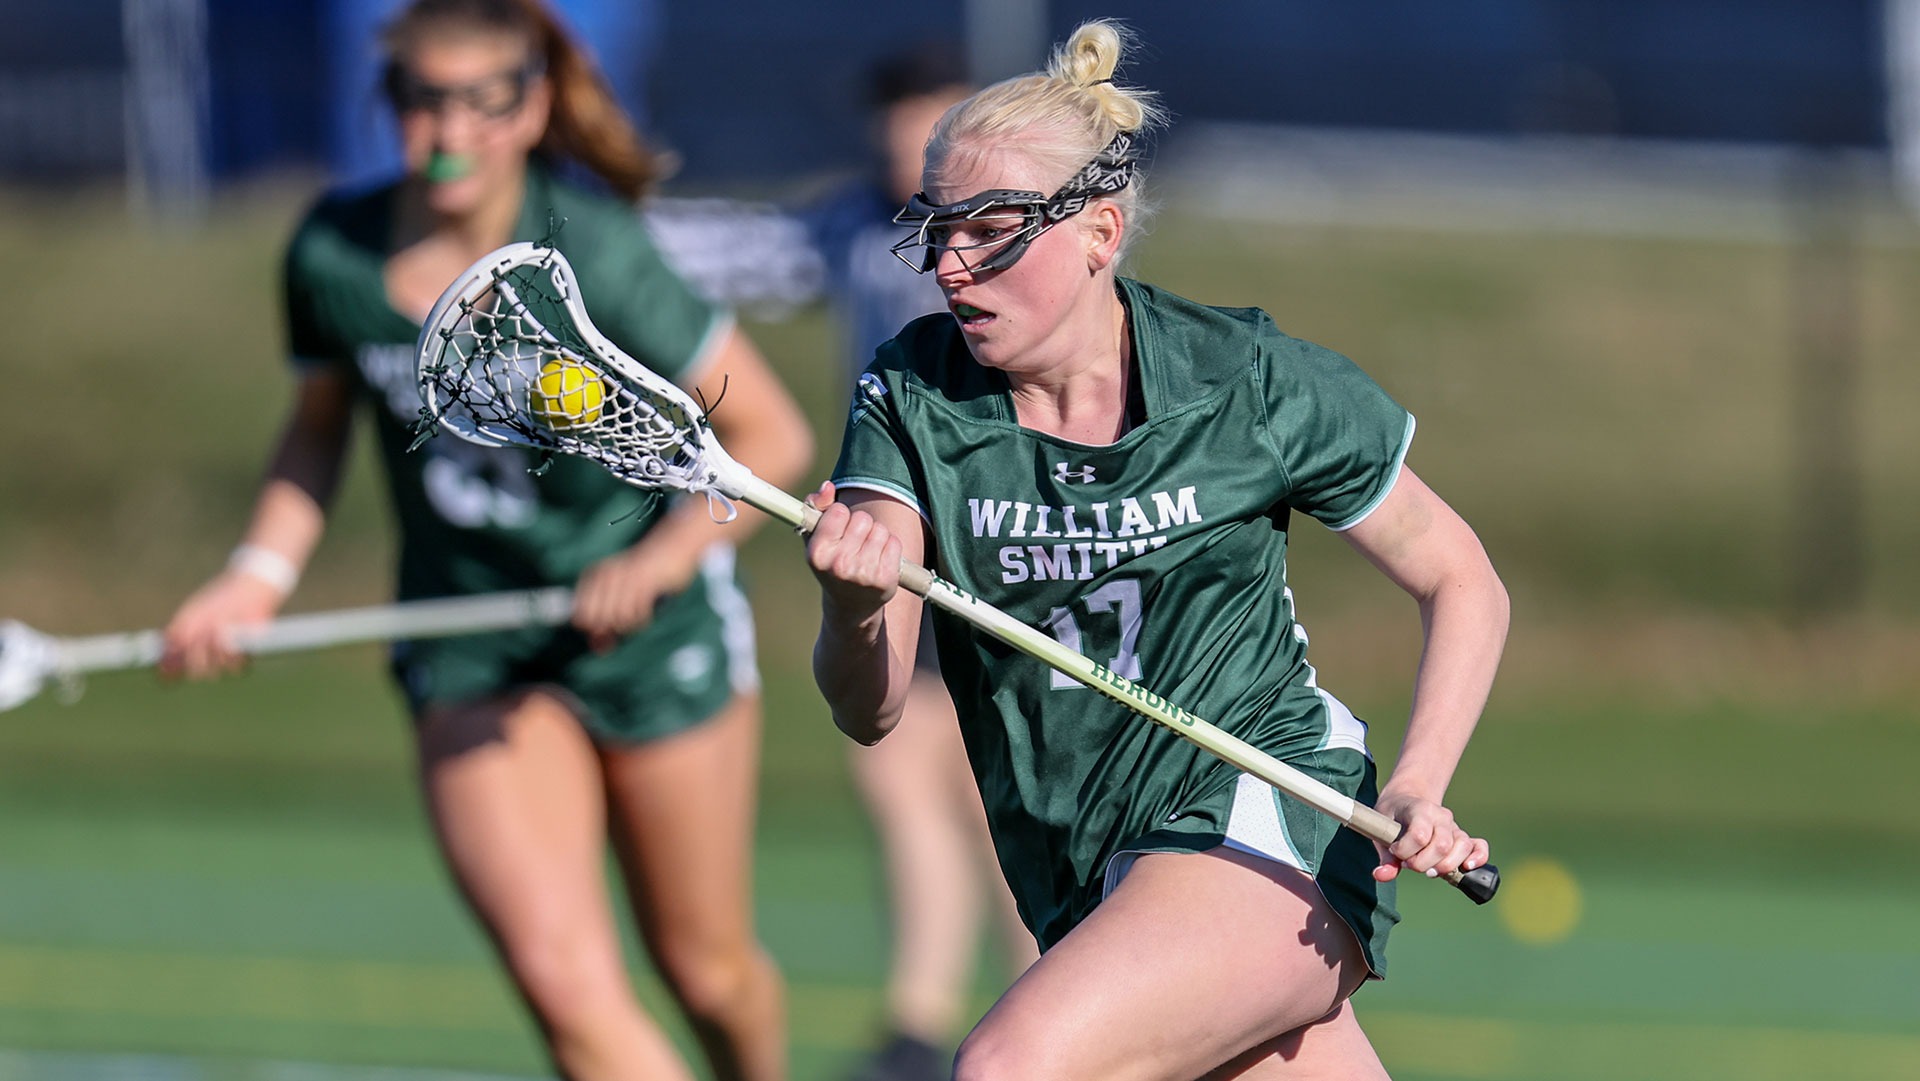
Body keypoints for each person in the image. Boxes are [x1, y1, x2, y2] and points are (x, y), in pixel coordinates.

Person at [804, 18, 1508, 1081]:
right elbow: (872, 708)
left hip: (1269, 822)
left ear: (1099, 230)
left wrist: (1416, 783)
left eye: (991, 229)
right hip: (1086, 872)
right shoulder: (913, 393)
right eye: (937, 227)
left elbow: (1462, 578)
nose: (950, 264)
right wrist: (853, 604)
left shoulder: (1245, 381)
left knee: (1009, 1067)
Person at [158, 3, 806, 1079]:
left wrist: (653, 562)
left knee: (709, 974)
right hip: (473, 643)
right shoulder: (334, 254)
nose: (449, 130)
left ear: (533, 106)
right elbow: (315, 437)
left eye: (481, 101)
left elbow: (770, 435)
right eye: (423, 100)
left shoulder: (593, 251)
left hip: (651, 640)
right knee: (568, 992)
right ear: (392, 106)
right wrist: (251, 580)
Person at [802, 44, 1038, 1081]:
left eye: (930, 122)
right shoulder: (849, 227)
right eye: (897, 121)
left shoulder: (1018, 246)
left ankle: (1048, 1008)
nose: (909, 144)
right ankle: (916, 1024)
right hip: (901, 542)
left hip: (1000, 550)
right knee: (900, 782)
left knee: (1006, 803)